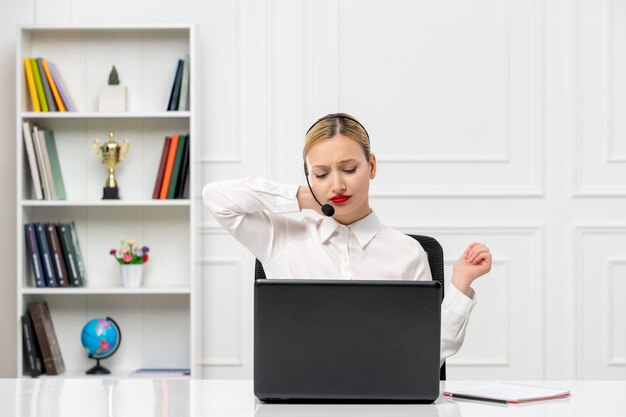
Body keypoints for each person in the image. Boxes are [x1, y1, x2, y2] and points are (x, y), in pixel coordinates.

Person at [202, 113, 492, 366]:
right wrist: (303, 197)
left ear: (372, 167)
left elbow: (429, 351)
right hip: (301, 401)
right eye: (321, 173)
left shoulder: (408, 252)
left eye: (349, 169)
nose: (337, 184)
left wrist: (460, 284)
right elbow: (215, 198)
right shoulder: (281, 238)